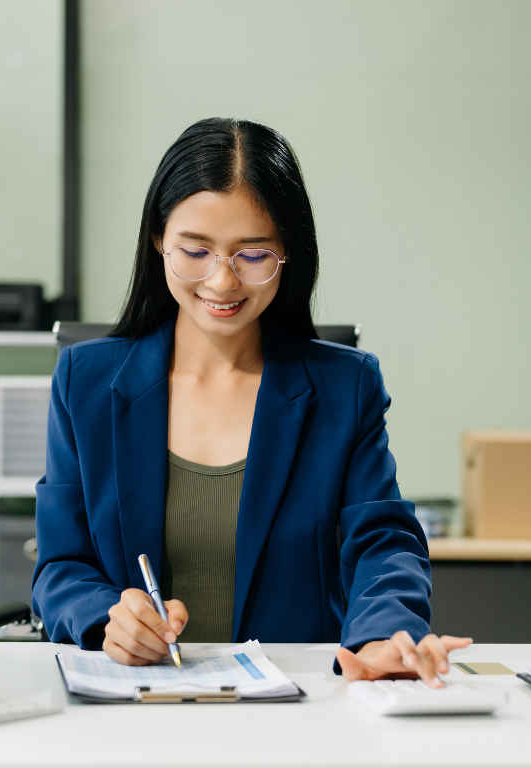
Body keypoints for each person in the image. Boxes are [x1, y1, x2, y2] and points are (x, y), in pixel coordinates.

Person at [31, 117, 469, 686]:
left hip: (292, 704)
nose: (221, 281)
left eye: (253, 254)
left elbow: (383, 543)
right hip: (136, 701)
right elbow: (61, 564)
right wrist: (103, 617)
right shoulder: (84, 380)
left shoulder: (345, 386)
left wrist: (384, 634)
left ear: (288, 252)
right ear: (159, 239)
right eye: (195, 250)